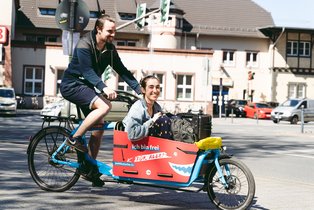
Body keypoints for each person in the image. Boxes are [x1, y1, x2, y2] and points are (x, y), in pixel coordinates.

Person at [60, 13, 141, 186]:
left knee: (98, 128)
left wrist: (139, 89)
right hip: (72, 85)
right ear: (98, 29)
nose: (113, 35)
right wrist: (104, 87)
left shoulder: (109, 49)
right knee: (105, 106)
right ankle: (74, 139)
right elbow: (87, 72)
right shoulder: (84, 44)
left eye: (114, 31)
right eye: (110, 31)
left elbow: (122, 70)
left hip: (87, 87)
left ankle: (88, 169)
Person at [122, 75, 173, 141]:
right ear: (143, 90)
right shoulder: (138, 108)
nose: (155, 90)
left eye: (157, 87)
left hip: (152, 146)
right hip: (134, 146)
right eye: (151, 87)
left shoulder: (157, 107)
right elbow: (132, 134)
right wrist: (152, 121)